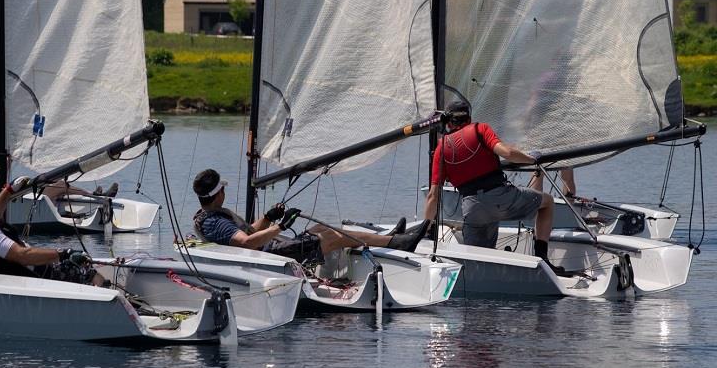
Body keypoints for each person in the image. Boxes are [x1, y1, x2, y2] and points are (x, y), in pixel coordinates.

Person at [423, 101, 564, 274]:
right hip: (500, 198)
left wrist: (426, 229)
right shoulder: (480, 129)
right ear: (469, 117)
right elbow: (508, 153)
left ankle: (480, 278)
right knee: (547, 202)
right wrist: (531, 159)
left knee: (476, 263)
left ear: (449, 123)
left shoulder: (441, 148)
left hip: (472, 209)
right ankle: (543, 260)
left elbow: (432, 196)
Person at [191, 169, 423, 266]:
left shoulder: (211, 216)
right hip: (269, 257)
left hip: (270, 248)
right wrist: (281, 225)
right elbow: (247, 243)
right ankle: (397, 243)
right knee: (332, 236)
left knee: (319, 230)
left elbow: (248, 232)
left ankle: (387, 238)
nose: (224, 191)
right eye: (222, 189)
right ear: (217, 193)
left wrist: (268, 217)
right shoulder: (214, 221)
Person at [0, 178, 103, 285]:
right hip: (39, 276)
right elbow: (23, 255)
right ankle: (111, 297)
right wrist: (64, 253)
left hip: (2, 278)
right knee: (85, 267)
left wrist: (9, 191)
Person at [0, 140, 118, 200]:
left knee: (55, 184)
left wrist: (7, 164)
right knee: (59, 184)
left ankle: (93, 196)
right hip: (12, 199)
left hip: (11, 195)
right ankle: (95, 196)